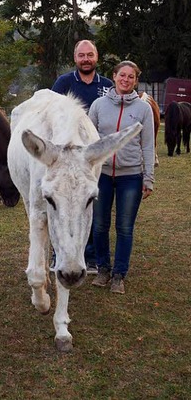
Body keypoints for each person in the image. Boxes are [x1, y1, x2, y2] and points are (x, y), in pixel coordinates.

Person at [87, 60, 155, 294]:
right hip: (102, 175)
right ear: (114, 77)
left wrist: (149, 178)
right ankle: (103, 269)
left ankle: (119, 275)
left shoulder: (143, 109)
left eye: (131, 77)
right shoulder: (98, 105)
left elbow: (148, 145)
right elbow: (89, 141)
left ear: (135, 81)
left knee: (124, 227)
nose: (125, 80)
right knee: (99, 225)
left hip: (131, 177)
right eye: (122, 75)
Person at [51, 39, 114, 275]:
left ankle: (89, 256)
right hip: (68, 160)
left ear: (97, 57)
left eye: (90, 55)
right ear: (75, 58)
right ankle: (59, 253)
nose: (85, 59)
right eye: (81, 55)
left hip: (93, 159)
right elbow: (53, 114)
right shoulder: (63, 83)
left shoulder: (107, 85)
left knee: (89, 207)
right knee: (65, 207)